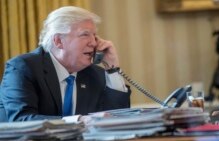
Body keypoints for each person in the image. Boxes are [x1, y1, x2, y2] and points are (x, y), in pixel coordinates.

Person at [0, 6, 131, 122]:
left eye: (94, 36)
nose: (93, 43)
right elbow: (22, 120)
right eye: (85, 35)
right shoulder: (23, 68)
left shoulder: (95, 74)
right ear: (58, 41)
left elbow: (116, 120)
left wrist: (112, 70)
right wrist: (79, 120)